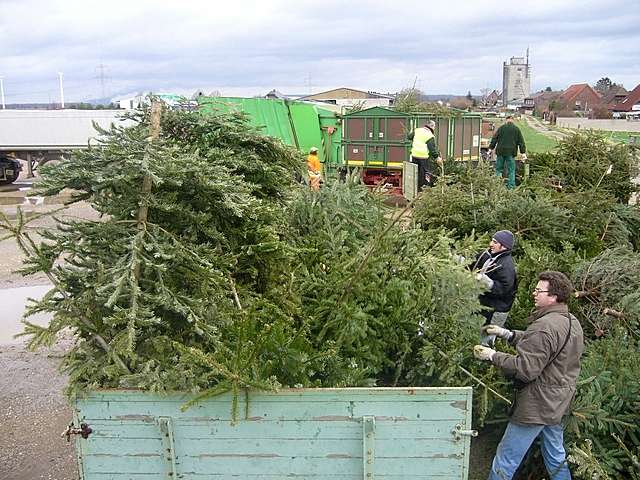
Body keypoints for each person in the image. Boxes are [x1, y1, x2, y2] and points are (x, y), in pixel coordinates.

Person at [473, 271, 584, 480]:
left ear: (553, 296)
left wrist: (492, 355)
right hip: (559, 402)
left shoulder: (545, 326)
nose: (534, 293)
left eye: (538, 290)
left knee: (506, 459)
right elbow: (544, 345)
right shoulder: (570, 321)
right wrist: (508, 334)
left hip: (537, 405)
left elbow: (526, 369)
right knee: (555, 456)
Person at [472, 230, 517, 346]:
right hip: (485, 306)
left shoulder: (506, 266)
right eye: (492, 240)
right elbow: (474, 262)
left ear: (504, 246)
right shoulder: (490, 256)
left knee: (487, 335)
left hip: (496, 311)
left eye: (495, 242)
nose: (491, 244)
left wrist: (486, 282)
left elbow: (503, 289)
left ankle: (485, 358)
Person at [489, 116, 526, 189]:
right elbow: (521, 142)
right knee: (511, 170)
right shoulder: (516, 129)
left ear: (506, 120)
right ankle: (511, 186)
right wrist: (523, 152)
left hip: (500, 152)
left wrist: (491, 148)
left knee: (498, 169)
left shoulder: (501, 128)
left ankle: (496, 185)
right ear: (513, 120)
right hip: (511, 153)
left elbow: (494, 139)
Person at [408, 120, 443, 188]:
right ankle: (424, 188)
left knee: (415, 172)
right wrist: (437, 157)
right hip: (423, 157)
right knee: (425, 173)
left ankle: (415, 188)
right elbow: (432, 149)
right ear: (432, 127)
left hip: (414, 155)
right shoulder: (430, 135)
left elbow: (409, 137)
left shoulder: (417, 130)